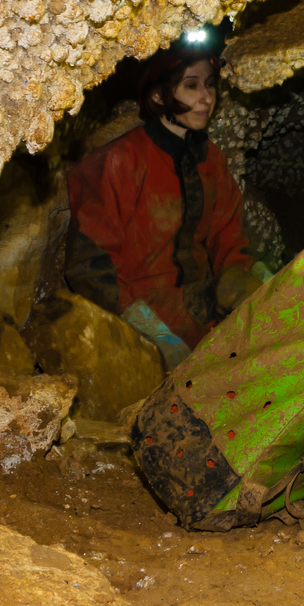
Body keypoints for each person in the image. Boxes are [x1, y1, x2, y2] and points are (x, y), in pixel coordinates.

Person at [65, 32, 261, 367]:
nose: (206, 98)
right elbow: (90, 269)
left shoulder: (210, 159)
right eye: (191, 85)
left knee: (273, 286)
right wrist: (148, 331)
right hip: (142, 308)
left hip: (201, 303)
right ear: (158, 96)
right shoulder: (120, 161)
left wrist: (247, 281)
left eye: (210, 84)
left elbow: (231, 239)